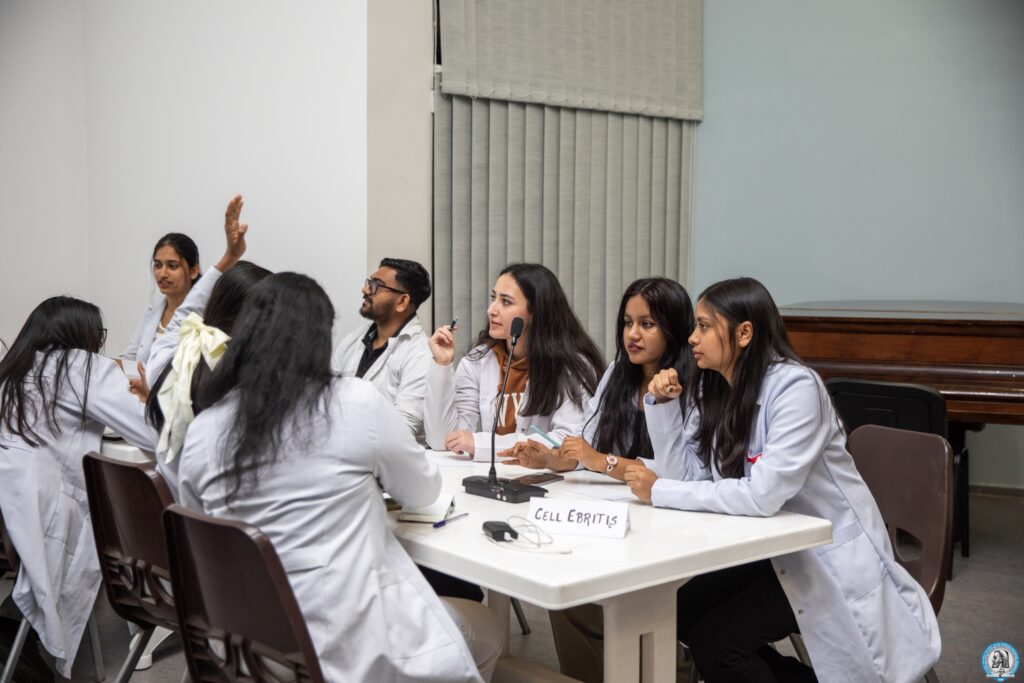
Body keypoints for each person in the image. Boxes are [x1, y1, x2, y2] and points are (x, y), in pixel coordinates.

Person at [177, 273, 505, 682]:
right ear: (320, 338)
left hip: (243, 643)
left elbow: (197, 525)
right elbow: (424, 491)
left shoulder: (205, 428)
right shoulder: (354, 402)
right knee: (487, 628)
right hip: (338, 645)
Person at [625, 277, 941, 683]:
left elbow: (762, 495)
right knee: (678, 611)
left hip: (823, 557)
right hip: (767, 549)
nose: (691, 338)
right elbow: (686, 477)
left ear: (744, 333)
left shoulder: (795, 387)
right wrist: (664, 407)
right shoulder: (717, 388)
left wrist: (660, 491)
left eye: (704, 326)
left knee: (716, 645)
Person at [501, 277, 696, 682]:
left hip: (676, 524)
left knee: (596, 595)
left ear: (674, 328)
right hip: (622, 514)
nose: (633, 334)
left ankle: (668, 668)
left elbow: (674, 474)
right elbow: (585, 445)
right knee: (565, 585)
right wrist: (551, 459)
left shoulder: (693, 384)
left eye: (647, 324)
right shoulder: (616, 374)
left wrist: (601, 461)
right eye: (627, 323)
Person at [0, 297, 157, 680]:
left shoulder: (15, 368)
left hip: (9, 510)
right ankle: (20, 640)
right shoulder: (80, 366)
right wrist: (147, 397)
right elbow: (152, 433)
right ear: (81, 334)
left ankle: (15, 633)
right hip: (39, 506)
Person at [424, 263, 604, 459]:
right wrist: (442, 365)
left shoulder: (571, 366)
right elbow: (442, 441)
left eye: (506, 302)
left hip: (547, 476)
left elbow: (567, 442)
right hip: (491, 474)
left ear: (535, 312)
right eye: (493, 298)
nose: (491, 310)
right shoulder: (478, 360)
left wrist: (484, 445)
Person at [331, 258, 433, 441]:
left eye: (376, 285)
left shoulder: (422, 353)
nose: (365, 290)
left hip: (382, 455)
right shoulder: (352, 341)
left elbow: (404, 426)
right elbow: (326, 400)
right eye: (369, 282)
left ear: (402, 301)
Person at [120, 231, 202, 375]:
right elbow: (130, 357)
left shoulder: (204, 315)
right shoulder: (152, 310)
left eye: (172, 266)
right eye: (158, 265)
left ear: (193, 271)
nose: (162, 274)